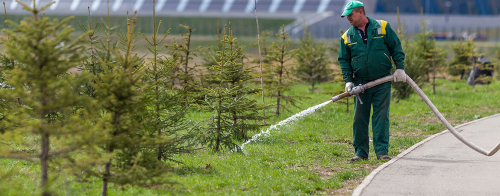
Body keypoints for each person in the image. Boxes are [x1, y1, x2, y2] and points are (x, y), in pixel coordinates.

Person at [337, 1, 406, 161]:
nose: (348, 18)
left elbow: (396, 47)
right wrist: (348, 81)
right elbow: (344, 60)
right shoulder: (347, 36)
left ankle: (382, 152)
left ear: (361, 12)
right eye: (346, 15)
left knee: (381, 116)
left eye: (351, 14)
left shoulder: (382, 27)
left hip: (382, 81)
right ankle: (360, 153)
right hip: (361, 84)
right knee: (359, 118)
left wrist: (400, 67)